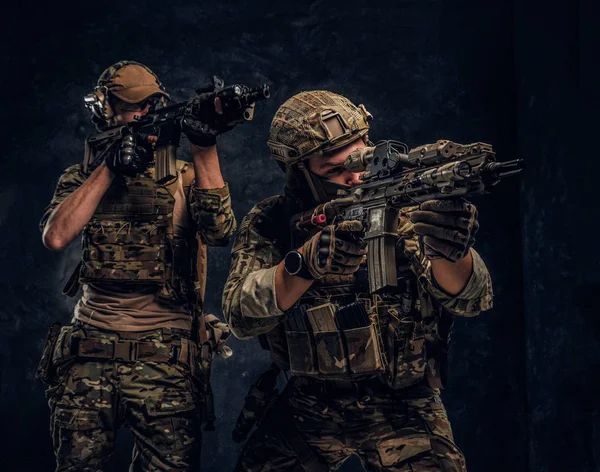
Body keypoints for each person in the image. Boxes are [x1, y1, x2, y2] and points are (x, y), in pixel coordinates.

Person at [223, 90, 493, 471]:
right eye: (334, 171)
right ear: (298, 172)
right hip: (311, 405)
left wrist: (452, 252)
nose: (354, 177)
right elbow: (239, 316)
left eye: (360, 158)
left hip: (404, 405)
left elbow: (473, 301)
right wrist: (304, 265)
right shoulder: (272, 221)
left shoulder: (407, 202)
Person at [38, 60, 236, 471]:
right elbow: (56, 236)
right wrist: (109, 166)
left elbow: (220, 233)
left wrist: (204, 146)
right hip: (89, 354)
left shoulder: (183, 177)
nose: (143, 115)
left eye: (150, 105)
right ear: (106, 111)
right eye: (132, 107)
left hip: (163, 360)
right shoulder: (81, 178)